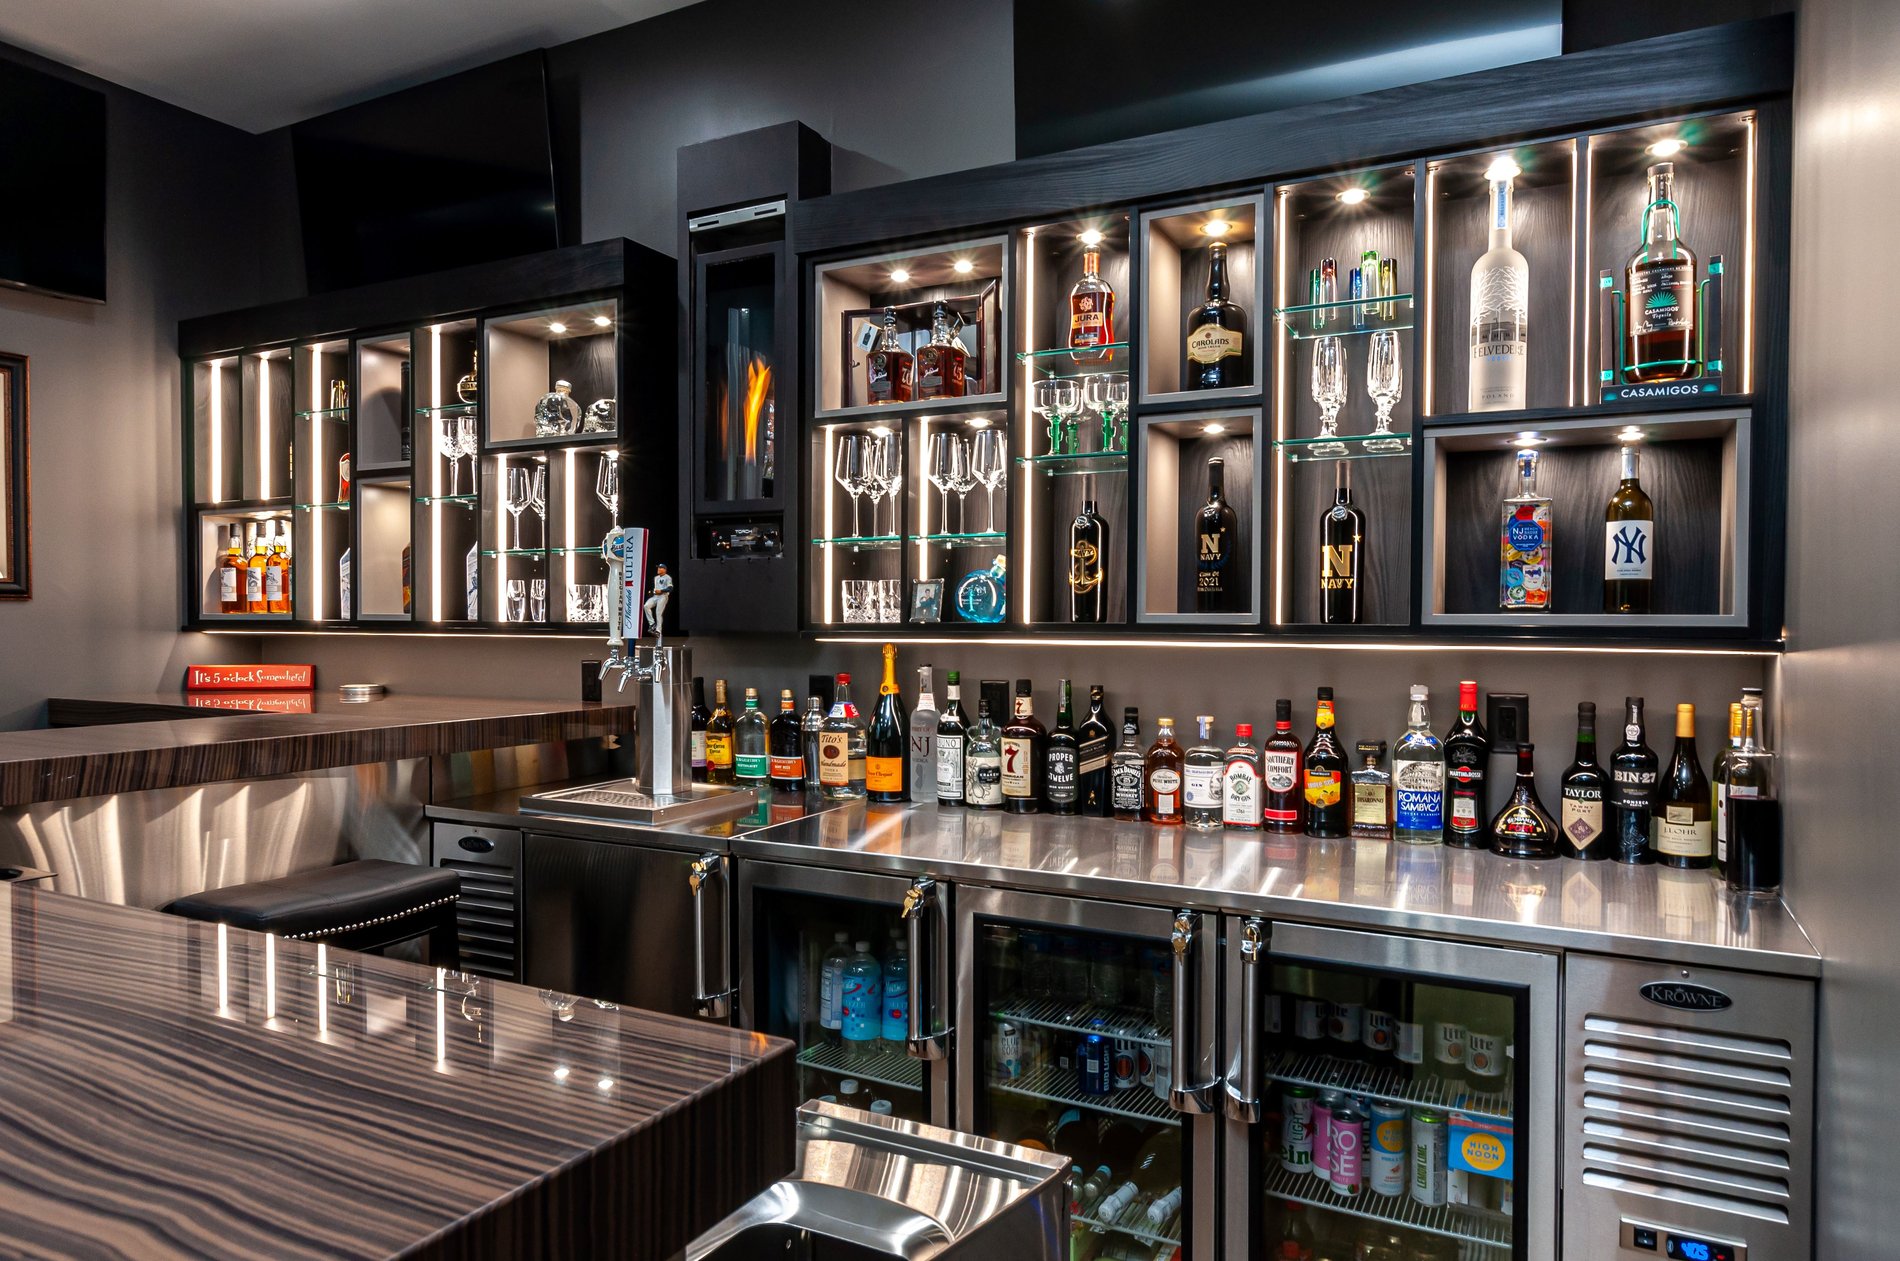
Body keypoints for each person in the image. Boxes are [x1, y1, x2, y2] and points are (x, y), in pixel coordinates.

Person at [643, 564, 673, 636]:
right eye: (658, 568)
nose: (658, 569)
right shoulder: (656, 578)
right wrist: (652, 592)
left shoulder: (668, 577)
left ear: (664, 570)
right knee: (646, 606)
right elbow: (656, 589)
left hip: (663, 596)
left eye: (660, 568)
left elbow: (670, 588)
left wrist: (661, 591)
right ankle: (652, 623)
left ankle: (658, 631)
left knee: (658, 613)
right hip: (655, 596)